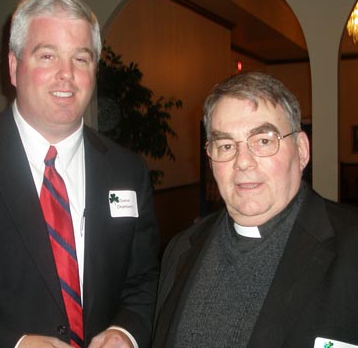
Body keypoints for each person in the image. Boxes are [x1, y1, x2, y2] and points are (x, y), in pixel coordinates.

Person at [0, 0, 159, 348]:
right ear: (14, 67)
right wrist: (11, 343)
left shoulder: (128, 170)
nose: (66, 75)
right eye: (47, 56)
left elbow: (143, 280)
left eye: (81, 58)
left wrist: (126, 331)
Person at [153, 71, 358, 348]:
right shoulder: (180, 249)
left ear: (301, 150)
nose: (243, 162)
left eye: (263, 141)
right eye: (226, 145)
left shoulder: (351, 247)